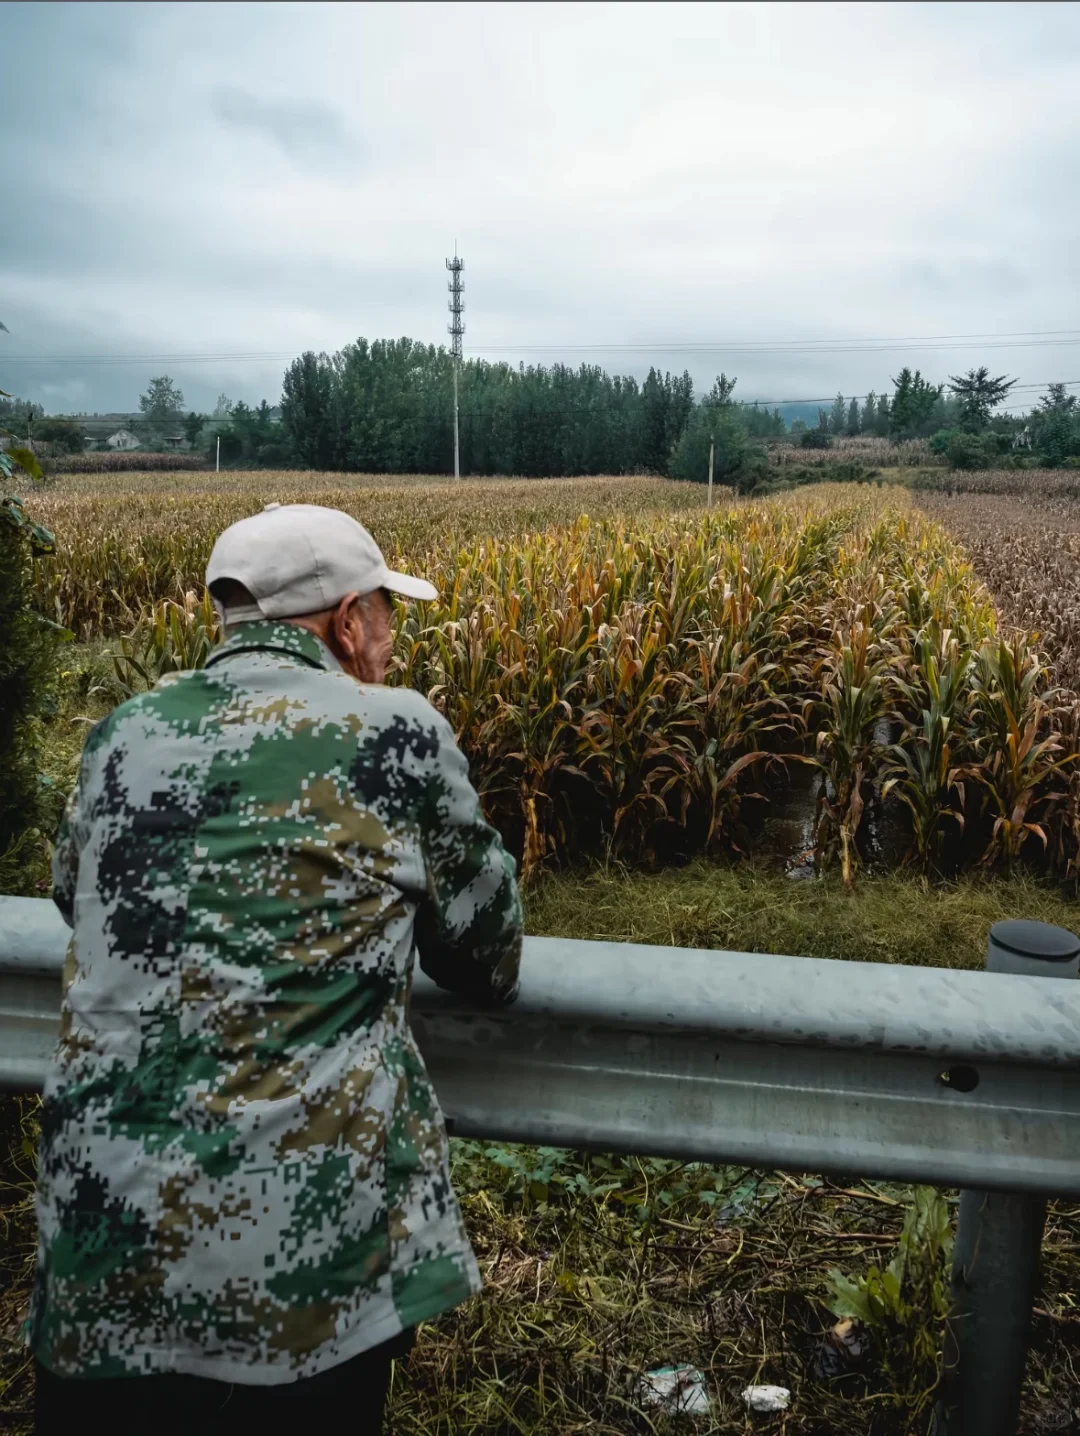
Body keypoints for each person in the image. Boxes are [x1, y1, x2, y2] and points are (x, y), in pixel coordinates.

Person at [30, 502, 524, 1435]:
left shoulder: (121, 734)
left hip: (99, 1249)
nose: (389, 637)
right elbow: (486, 951)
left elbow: (78, 898)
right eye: (383, 613)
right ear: (346, 622)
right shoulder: (396, 731)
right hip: (297, 1279)